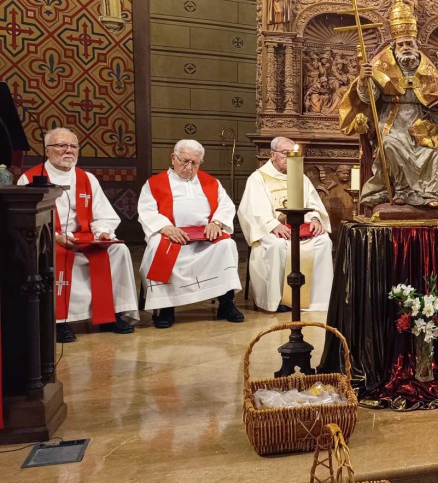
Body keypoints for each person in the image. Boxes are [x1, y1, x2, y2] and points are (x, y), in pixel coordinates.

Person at [339, 0, 438, 209]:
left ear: (416, 44)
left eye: (409, 44)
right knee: (390, 146)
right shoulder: (380, 65)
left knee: (436, 152)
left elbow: (436, 100)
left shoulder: (427, 67)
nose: (405, 48)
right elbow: (368, 99)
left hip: (421, 123)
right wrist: (364, 80)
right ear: (394, 45)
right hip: (392, 121)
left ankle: (431, 194)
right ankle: (400, 191)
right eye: (401, 44)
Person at [18, 127, 138, 342]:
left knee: (118, 250)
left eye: (73, 146)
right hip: (49, 239)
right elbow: (26, 221)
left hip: (84, 236)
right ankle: (59, 321)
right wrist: (56, 237)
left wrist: (102, 233)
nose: (69, 151)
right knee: (57, 254)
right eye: (61, 146)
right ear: (47, 150)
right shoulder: (30, 179)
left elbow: (103, 215)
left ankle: (109, 315)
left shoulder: (87, 179)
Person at [137, 139, 243, 329]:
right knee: (155, 246)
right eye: (184, 161)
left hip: (205, 237)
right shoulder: (154, 183)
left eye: (195, 163)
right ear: (173, 158)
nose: (189, 167)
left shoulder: (211, 182)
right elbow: (147, 211)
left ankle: (226, 304)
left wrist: (216, 223)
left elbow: (226, 206)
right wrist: (165, 227)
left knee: (227, 245)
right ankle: (165, 308)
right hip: (171, 236)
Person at [238, 137, 334, 312]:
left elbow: (313, 203)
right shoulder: (258, 178)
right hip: (273, 230)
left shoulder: (301, 178)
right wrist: (273, 225)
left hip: (300, 228)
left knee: (323, 242)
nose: (290, 157)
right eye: (285, 153)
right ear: (272, 154)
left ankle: (316, 300)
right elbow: (253, 210)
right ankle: (278, 301)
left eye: (294, 153)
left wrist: (315, 220)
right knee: (277, 245)